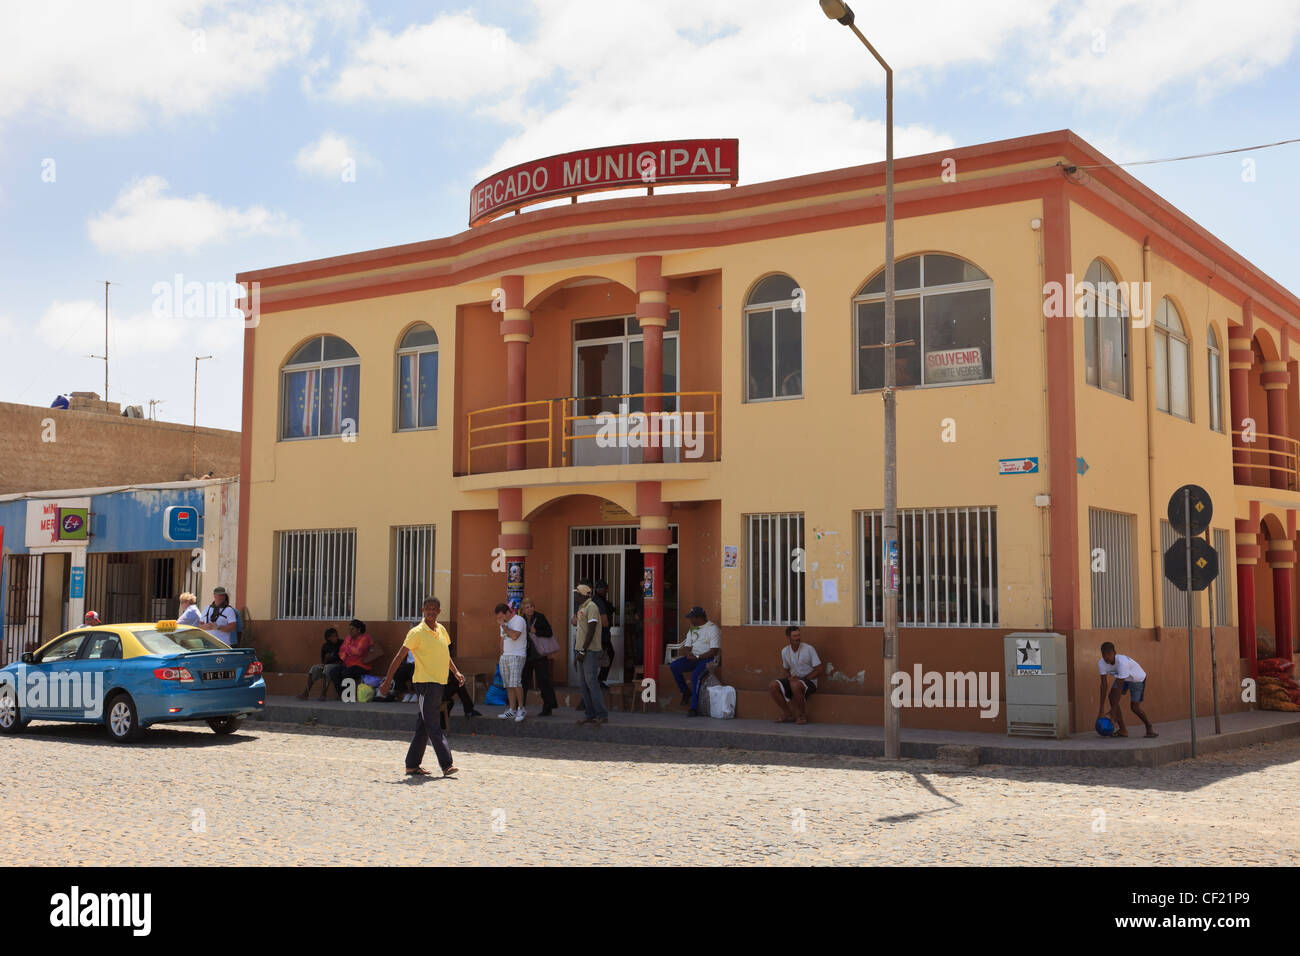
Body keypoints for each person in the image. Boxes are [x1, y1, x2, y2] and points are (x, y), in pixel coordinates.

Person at [379, 596, 462, 778]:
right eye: (428, 609)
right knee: (433, 723)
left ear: (439, 611)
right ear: (423, 610)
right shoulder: (416, 632)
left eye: (434, 609)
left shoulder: (441, 630)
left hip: (439, 683)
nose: (431, 612)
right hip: (425, 684)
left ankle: (412, 765)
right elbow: (400, 657)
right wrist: (387, 681)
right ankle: (447, 764)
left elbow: (444, 655)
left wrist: (456, 672)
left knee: (424, 724)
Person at [1098, 642, 1157, 738]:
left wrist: (1113, 713)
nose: (1106, 657)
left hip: (1137, 678)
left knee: (1134, 707)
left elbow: (1119, 687)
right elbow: (1103, 685)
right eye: (1103, 654)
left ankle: (1149, 726)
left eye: (1109, 653)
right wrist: (1101, 710)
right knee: (1112, 697)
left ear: (1115, 653)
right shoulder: (1101, 663)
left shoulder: (1122, 663)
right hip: (1123, 678)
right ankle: (1123, 730)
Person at [671, 606, 720, 717]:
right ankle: (685, 692)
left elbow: (714, 651)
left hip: (707, 659)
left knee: (695, 676)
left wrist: (697, 657)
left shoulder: (713, 629)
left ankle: (693, 707)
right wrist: (688, 654)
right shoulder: (693, 629)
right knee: (674, 666)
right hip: (694, 658)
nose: (690, 620)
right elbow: (687, 646)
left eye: (691, 618)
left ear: (698, 618)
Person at [769, 626, 823, 724]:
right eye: (794, 636)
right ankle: (787, 714)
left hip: (809, 681)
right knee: (773, 685)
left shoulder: (809, 649)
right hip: (794, 680)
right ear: (788, 637)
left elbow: (819, 670)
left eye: (798, 635)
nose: (798, 638)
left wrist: (802, 679)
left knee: (795, 685)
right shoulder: (785, 651)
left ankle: (802, 716)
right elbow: (785, 669)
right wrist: (789, 678)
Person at [573, 582, 608, 725]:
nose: (575, 596)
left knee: (591, 682)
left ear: (583, 595)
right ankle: (590, 714)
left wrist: (583, 650)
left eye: (577, 594)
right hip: (581, 649)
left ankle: (601, 714)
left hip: (589, 651)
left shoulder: (592, 607)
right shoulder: (582, 607)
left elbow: (592, 630)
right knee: (583, 683)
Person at [519, 597, 558, 717]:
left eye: (531, 606)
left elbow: (549, 633)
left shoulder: (540, 617)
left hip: (539, 654)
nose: (530, 609)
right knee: (523, 680)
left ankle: (548, 706)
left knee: (543, 680)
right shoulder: (521, 620)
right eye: (527, 607)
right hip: (527, 654)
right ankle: (520, 706)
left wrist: (536, 631)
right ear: (523, 610)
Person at [495, 602, 528, 722]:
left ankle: (521, 708)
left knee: (516, 683)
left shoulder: (519, 621)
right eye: (498, 618)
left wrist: (504, 626)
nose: (500, 620)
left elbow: (514, 636)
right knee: (508, 684)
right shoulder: (503, 624)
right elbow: (502, 638)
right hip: (505, 656)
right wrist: (501, 653)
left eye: (501, 617)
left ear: (508, 613)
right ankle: (512, 709)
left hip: (517, 655)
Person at [298, 627, 343, 700]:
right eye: (333, 636)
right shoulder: (325, 646)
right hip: (327, 664)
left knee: (327, 669)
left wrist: (330, 660)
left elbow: (342, 659)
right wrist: (326, 659)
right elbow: (323, 661)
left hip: (338, 665)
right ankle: (306, 693)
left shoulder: (341, 643)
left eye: (336, 636)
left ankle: (323, 694)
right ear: (328, 638)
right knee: (314, 668)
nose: (335, 638)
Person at [335, 619, 373, 698]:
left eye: (352, 629)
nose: (350, 631)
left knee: (346, 672)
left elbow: (358, 651)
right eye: (350, 629)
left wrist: (347, 648)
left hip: (362, 666)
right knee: (334, 672)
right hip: (348, 664)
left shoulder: (365, 638)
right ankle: (342, 694)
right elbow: (341, 652)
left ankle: (349, 695)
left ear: (359, 630)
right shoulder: (349, 638)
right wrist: (349, 650)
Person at [593, 579, 616, 688]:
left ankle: (597, 680)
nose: (606, 592)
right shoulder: (599, 601)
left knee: (603, 656)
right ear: (601, 590)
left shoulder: (596, 600)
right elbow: (605, 621)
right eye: (605, 590)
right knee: (606, 655)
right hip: (601, 636)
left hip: (600, 635)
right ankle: (598, 680)